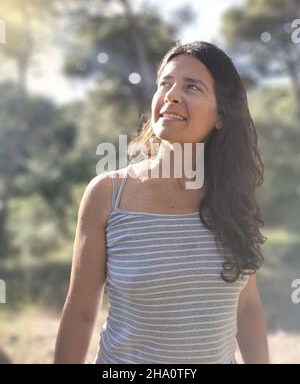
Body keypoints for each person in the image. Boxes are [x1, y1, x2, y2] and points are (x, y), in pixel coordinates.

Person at [54, 41, 269, 364]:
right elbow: (81, 313)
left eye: (191, 86)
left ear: (221, 115)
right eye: (165, 84)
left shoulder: (233, 196)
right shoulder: (107, 194)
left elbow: (247, 307)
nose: (171, 95)